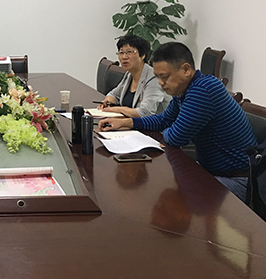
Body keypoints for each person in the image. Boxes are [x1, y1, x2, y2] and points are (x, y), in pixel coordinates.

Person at [98, 42, 256, 201]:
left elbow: (175, 137)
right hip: (210, 171)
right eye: (158, 77)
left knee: (170, 197)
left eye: (164, 77)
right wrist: (126, 123)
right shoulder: (185, 90)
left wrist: (172, 127)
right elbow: (164, 119)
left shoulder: (204, 90)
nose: (160, 83)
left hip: (237, 179)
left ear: (186, 70)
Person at [97, 34, 169, 117]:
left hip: (153, 125)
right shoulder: (129, 74)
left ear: (142, 55)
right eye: (121, 52)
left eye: (129, 52)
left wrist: (119, 110)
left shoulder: (154, 78)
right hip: (131, 122)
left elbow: (146, 112)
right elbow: (114, 94)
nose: (124, 57)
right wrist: (107, 102)